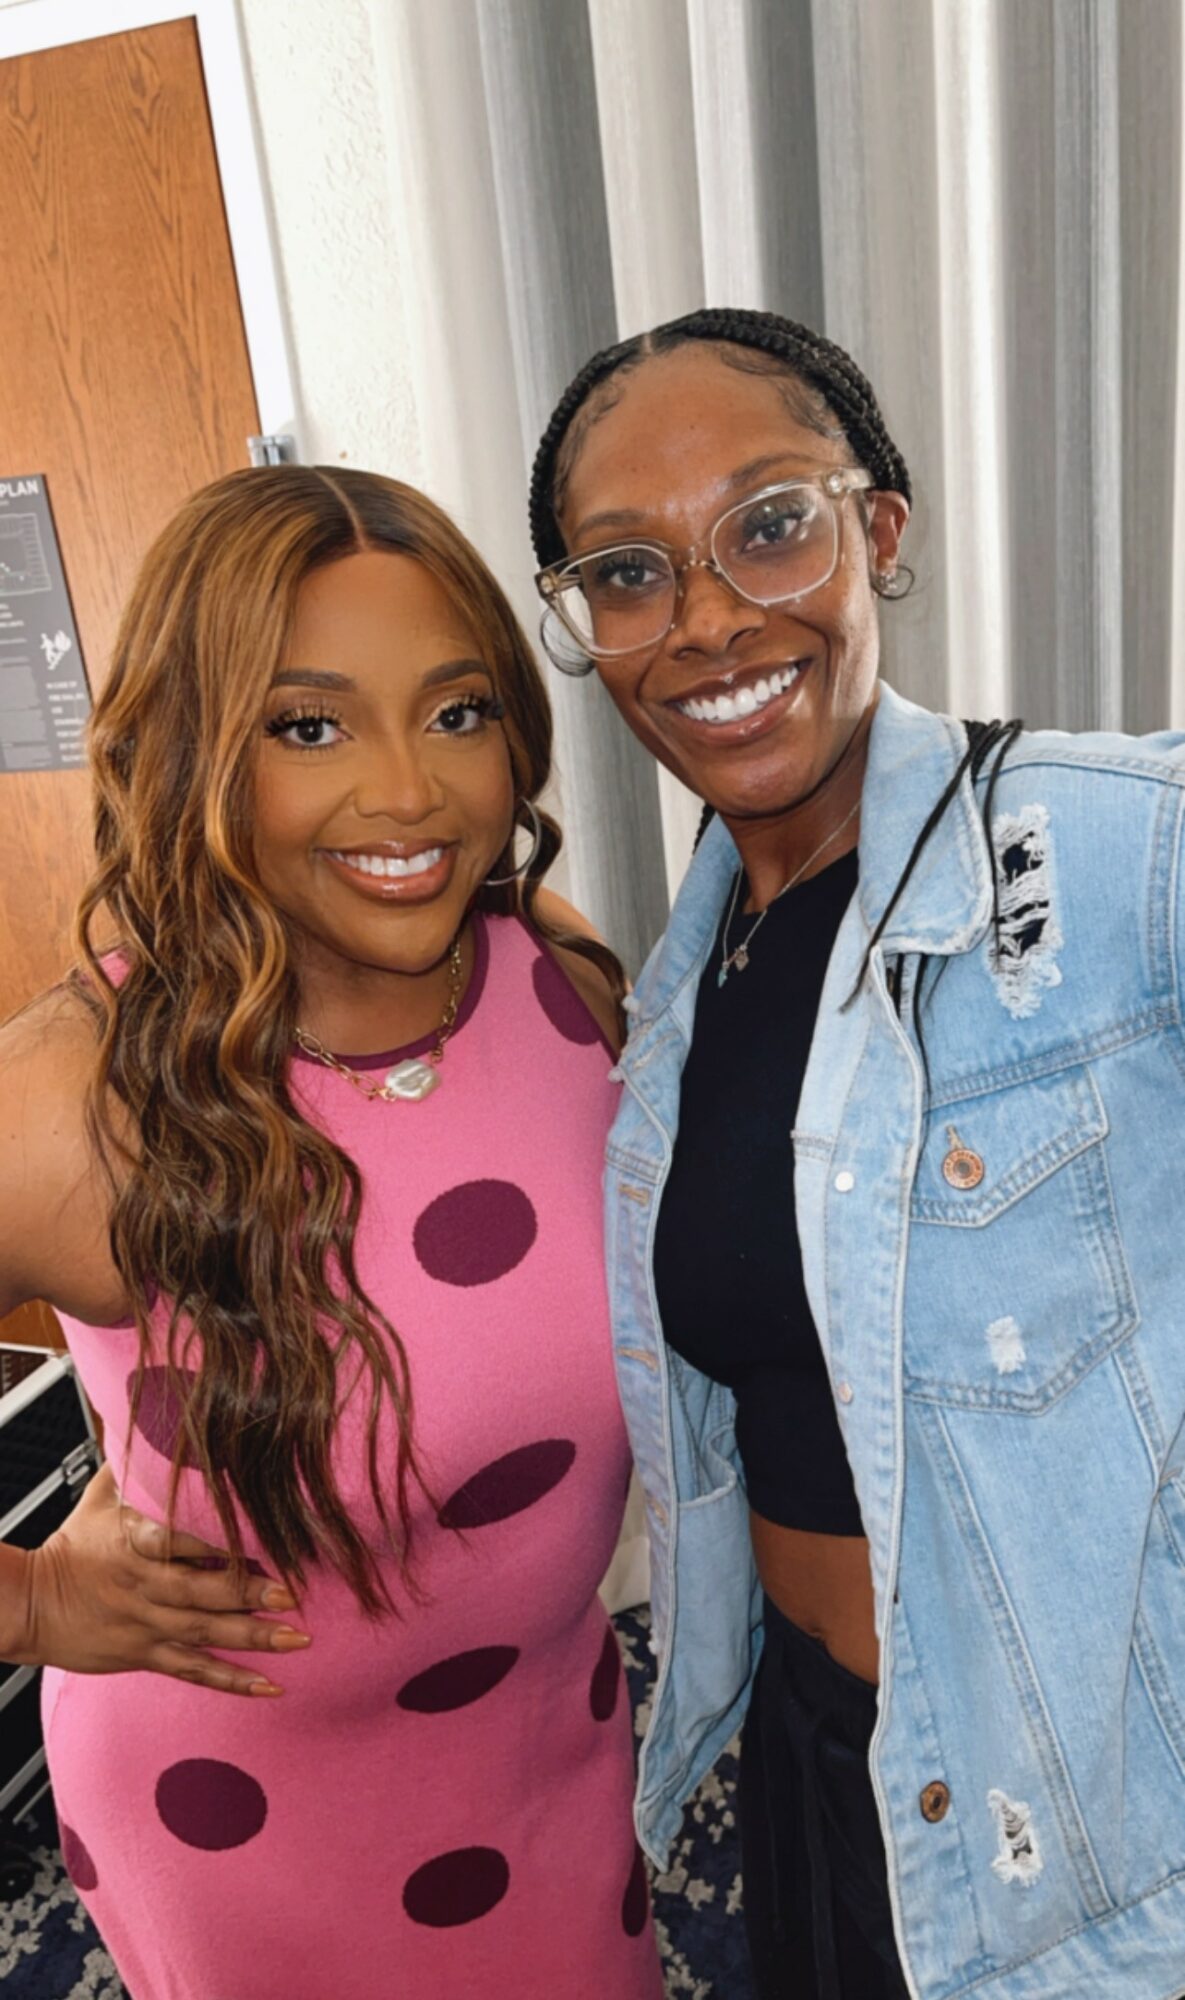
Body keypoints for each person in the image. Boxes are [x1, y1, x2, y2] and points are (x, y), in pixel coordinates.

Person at [528, 306, 1185, 2000]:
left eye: (768, 526)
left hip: (1090, 1832)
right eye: (627, 572)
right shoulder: (675, 997)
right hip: (817, 1765)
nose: (705, 620)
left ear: (877, 531)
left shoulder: (1110, 848)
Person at [0, 466, 664, 2000]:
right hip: (243, 1828)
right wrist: (31, 1602)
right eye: (310, 727)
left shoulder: (558, 977)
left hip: (549, 1756)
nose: (411, 793)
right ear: (192, 750)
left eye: (457, 711)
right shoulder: (81, 1099)